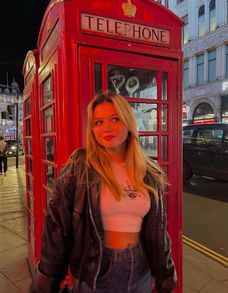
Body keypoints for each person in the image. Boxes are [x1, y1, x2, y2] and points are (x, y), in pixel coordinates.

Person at [31, 91, 177, 293]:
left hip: (141, 267)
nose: (106, 128)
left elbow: (158, 230)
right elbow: (57, 226)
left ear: (128, 123)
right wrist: (47, 278)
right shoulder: (81, 165)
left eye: (115, 119)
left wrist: (165, 273)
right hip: (97, 268)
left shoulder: (149, 170)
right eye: (98, 122)